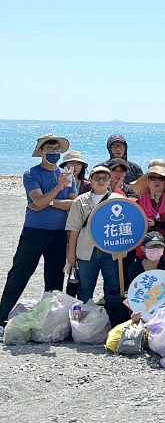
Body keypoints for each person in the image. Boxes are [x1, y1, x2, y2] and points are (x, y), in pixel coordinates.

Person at [0, 134, 78, 334]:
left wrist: (50, 201)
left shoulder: (67, 175)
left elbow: (73, 204)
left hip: (58, 233)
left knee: (54, 279)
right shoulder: (31, 174)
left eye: (56, 150)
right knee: (19, 273)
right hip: (34, 232)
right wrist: (58, 188)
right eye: (49, 149)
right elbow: (37, 200)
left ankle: (51, 321)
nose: (53, 153)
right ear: (41, 152)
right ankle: (1, 317)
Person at [64, 164, 127, 325]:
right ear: (90, 180)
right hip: (86, 251)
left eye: (105, 178)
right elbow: (73, 229)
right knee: (85, 289)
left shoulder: (118, 199)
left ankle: (114, 322)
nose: (101, 181)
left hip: (112, 252)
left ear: (109, 180)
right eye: (97, 178)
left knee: (113, 289)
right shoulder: (80, 201)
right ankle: (83, 324)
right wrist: (71, 254)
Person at [131, 160, 165, 259]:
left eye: (161, 178)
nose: (157, 181)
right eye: (153, 178)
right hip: (145, 250)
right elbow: (134, 227)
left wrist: (157, 224)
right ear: (148, 182)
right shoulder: (139, 203)